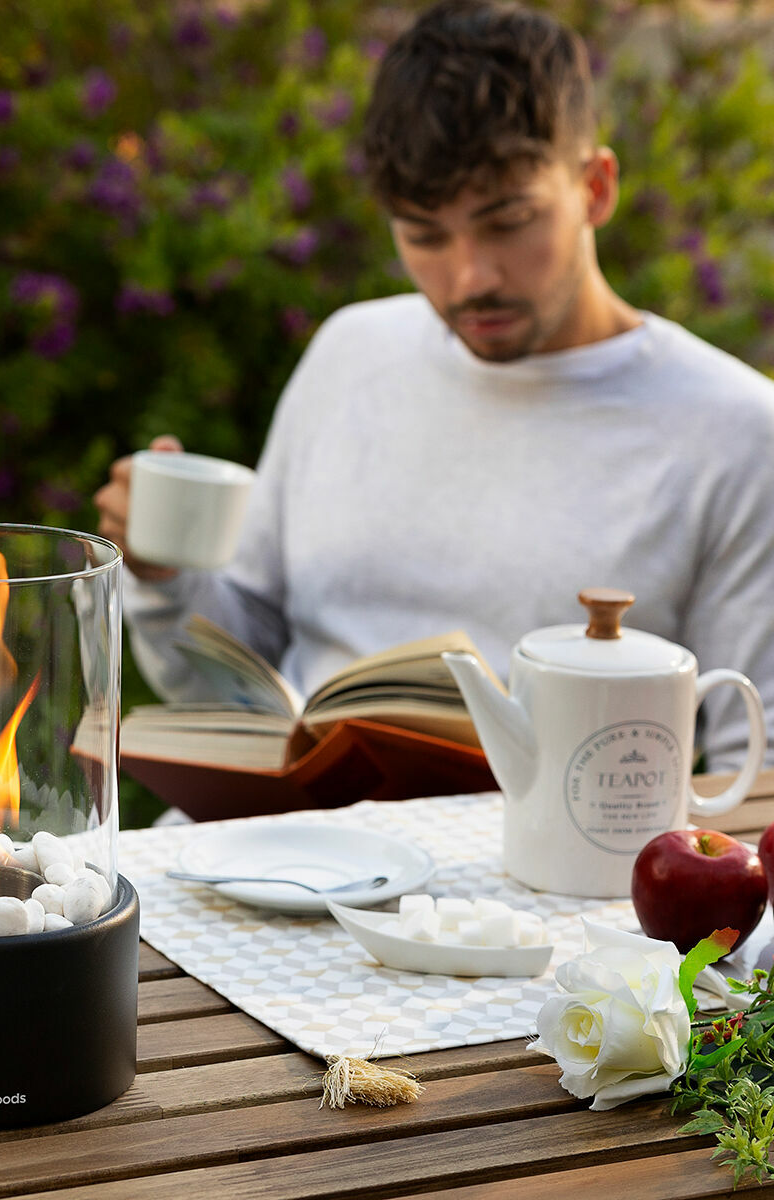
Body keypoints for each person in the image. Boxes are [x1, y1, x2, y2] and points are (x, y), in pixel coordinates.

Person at [94, 0, 774, 772]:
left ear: (595, 187)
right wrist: (162, 579)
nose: (470, 277)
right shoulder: (351, 352)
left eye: (508, 220)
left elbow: (752, 770)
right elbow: (236, 678)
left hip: (532, 878)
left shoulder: (736, 430)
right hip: (280, 851)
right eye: (424, 235)